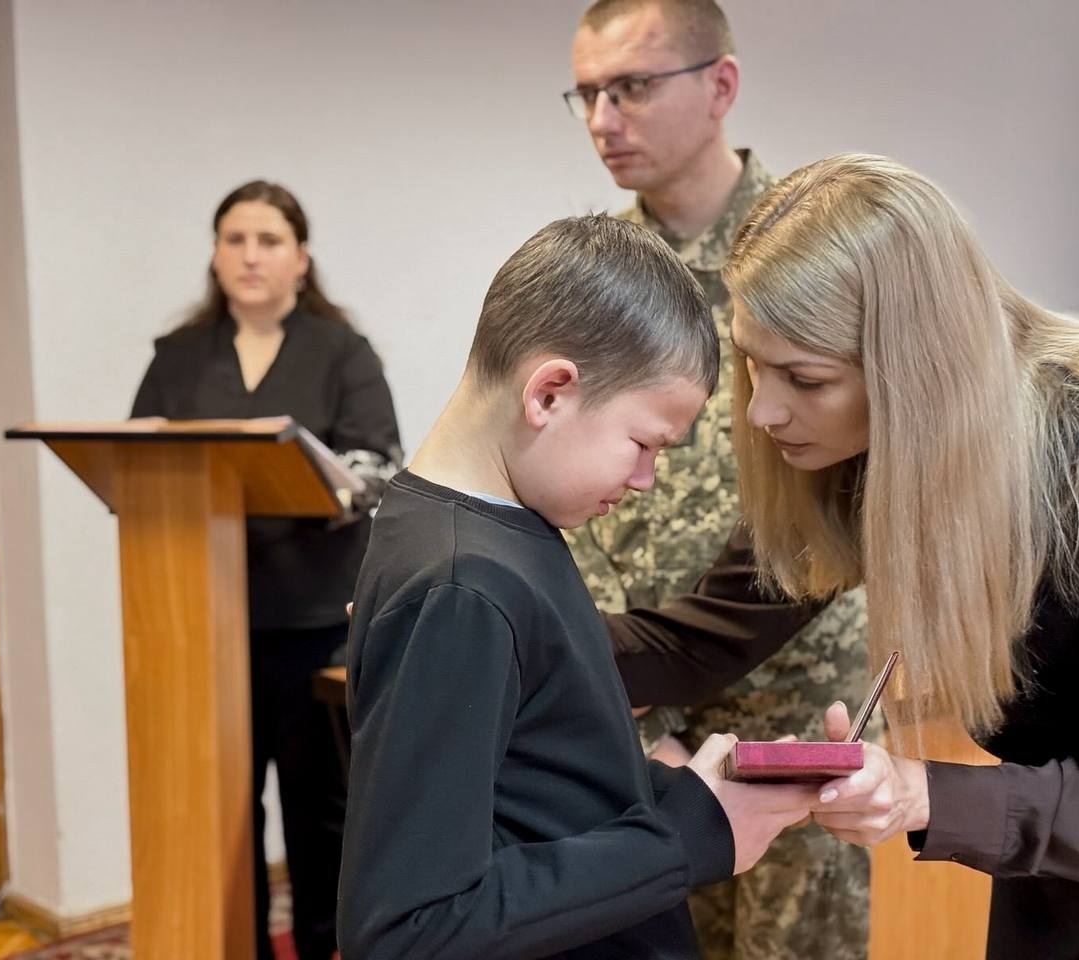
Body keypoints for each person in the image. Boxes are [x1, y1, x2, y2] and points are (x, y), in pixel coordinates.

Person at [606, 153, 1079, 959]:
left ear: (913, 367)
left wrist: (921, 792)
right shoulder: (857, 442)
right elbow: (698, 643)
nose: (763, 408)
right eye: (751, 359)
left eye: (804, 378)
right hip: (1072, 831)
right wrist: (519, 628)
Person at [336, 214, 818, 960]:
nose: (646, 478)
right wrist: (685, 838)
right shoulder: (461, 585)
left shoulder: (507, 532)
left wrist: (694, 798)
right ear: (551, 393)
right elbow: (411, 927)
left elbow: (542, 795)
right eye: (644, 443)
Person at [565, 3, 871, 956]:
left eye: (632, 87)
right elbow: (556, 458)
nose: (603, 118)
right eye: (587, 94)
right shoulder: (593, 273)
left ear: (721, 87)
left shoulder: (812, 251)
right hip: (633, 701)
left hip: (783, 695)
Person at [130, 180, 402, 960]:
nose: (251, 256)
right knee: (216, 811)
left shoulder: (342, 353)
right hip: (199, 624)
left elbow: (378, 467)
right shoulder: (177, 359)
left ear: (301, 257)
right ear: (214, 255)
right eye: (235, 239)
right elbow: (138, 462)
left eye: (269, 240)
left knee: (321, 813)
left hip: (315, 623)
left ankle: (324, 947)